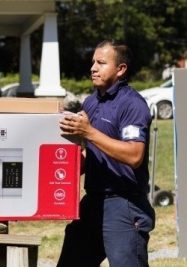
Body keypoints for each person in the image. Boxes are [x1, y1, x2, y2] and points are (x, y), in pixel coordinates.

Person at [57, 40, 155, 267]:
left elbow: (134, 155)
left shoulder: (132, 105)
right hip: (92, 202)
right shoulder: (91, 102)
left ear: (120, 70)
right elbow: (89, 154)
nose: (93, 68)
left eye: (101, 63)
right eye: (93, 62)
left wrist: (89, 132)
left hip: (124, 204)